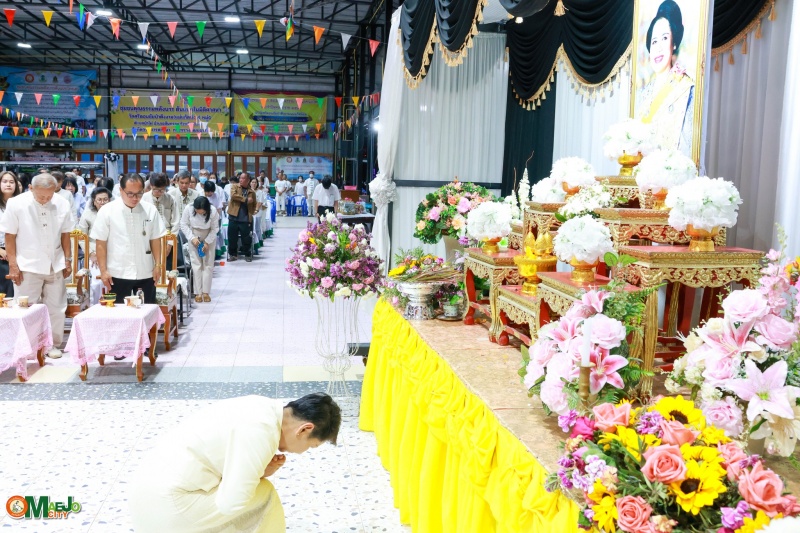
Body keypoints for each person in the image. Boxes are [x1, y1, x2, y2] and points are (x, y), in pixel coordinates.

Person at [129, 393, 341, 533]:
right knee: (265, 493)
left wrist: (259, 470)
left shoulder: (262, 406)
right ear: (304, 429)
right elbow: (231, 504)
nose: (303, 452)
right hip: (166, 508)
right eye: (311, 446)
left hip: (147, 491)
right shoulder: (262, 432)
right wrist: (257, 475)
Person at [0, 174, 73, 359]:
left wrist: (68, 259)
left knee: (57, 308)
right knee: (26, 308)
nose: (46, 199)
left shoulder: (62, 203)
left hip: (55, 262)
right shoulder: (16, 203)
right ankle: (29, 347)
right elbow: (9, 236)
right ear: (31, 188)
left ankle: (52, 345)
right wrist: (13, 265)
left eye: (50, 195)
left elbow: (65, 234)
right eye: (41, 196)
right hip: (27, 264)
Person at [92, 173, 166, 307]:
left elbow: (155, 239)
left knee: (147, 310)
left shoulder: (150, 209)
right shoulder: (107, 211)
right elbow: (101, 243)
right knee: (119, 312)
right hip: (117, 271)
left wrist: (158, 265)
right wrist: (103, 271)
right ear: (121, 190)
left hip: (145, 270)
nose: (135, 198)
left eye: (139, 193)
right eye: (130, 194)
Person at [637, 0, 694, 156]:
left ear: (673, 44)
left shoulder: (686, 89)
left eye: (664, 38)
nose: (659, 47)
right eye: (654, 41)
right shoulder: (643, 94)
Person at [76, 187, 111, 305]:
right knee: (97, 283)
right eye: (99, 200)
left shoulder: (115, 213)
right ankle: (96, 308)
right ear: (94, 201)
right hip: (93, 253)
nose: (102, 202)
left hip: (113, 253)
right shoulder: (87, 215)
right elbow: (82, 237)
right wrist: (91, 254)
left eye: (105, 199)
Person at [181, 196, 219, 303]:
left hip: (209, 235)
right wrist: (192, 238)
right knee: (196, 264)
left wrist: (207, 242)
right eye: (197, 211)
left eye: (201, 212)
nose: (199, 213)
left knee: (208, 264)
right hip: (194, 235)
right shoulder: (189, 208)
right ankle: (198, 292)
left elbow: (215, 228)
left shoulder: (213, 211)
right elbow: (183, 224)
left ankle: (206, 292)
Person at [0, 171, 23, 297]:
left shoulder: (21, 205)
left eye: (11, 182)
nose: (8, 184)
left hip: (18, 251)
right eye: (4, 182)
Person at [226, 172, 257, 262]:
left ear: (248, 180)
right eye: (240, 178)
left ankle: (247, 254)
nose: (241, 180)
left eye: (243, 178)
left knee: (246, 238)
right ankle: (233, 254)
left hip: (245, 218)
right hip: (233, 216)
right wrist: (245, 199)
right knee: (232, 237)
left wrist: (252, 212)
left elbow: (254, 203)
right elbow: (233, 196)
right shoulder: (235, 187)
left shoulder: (251, 192)